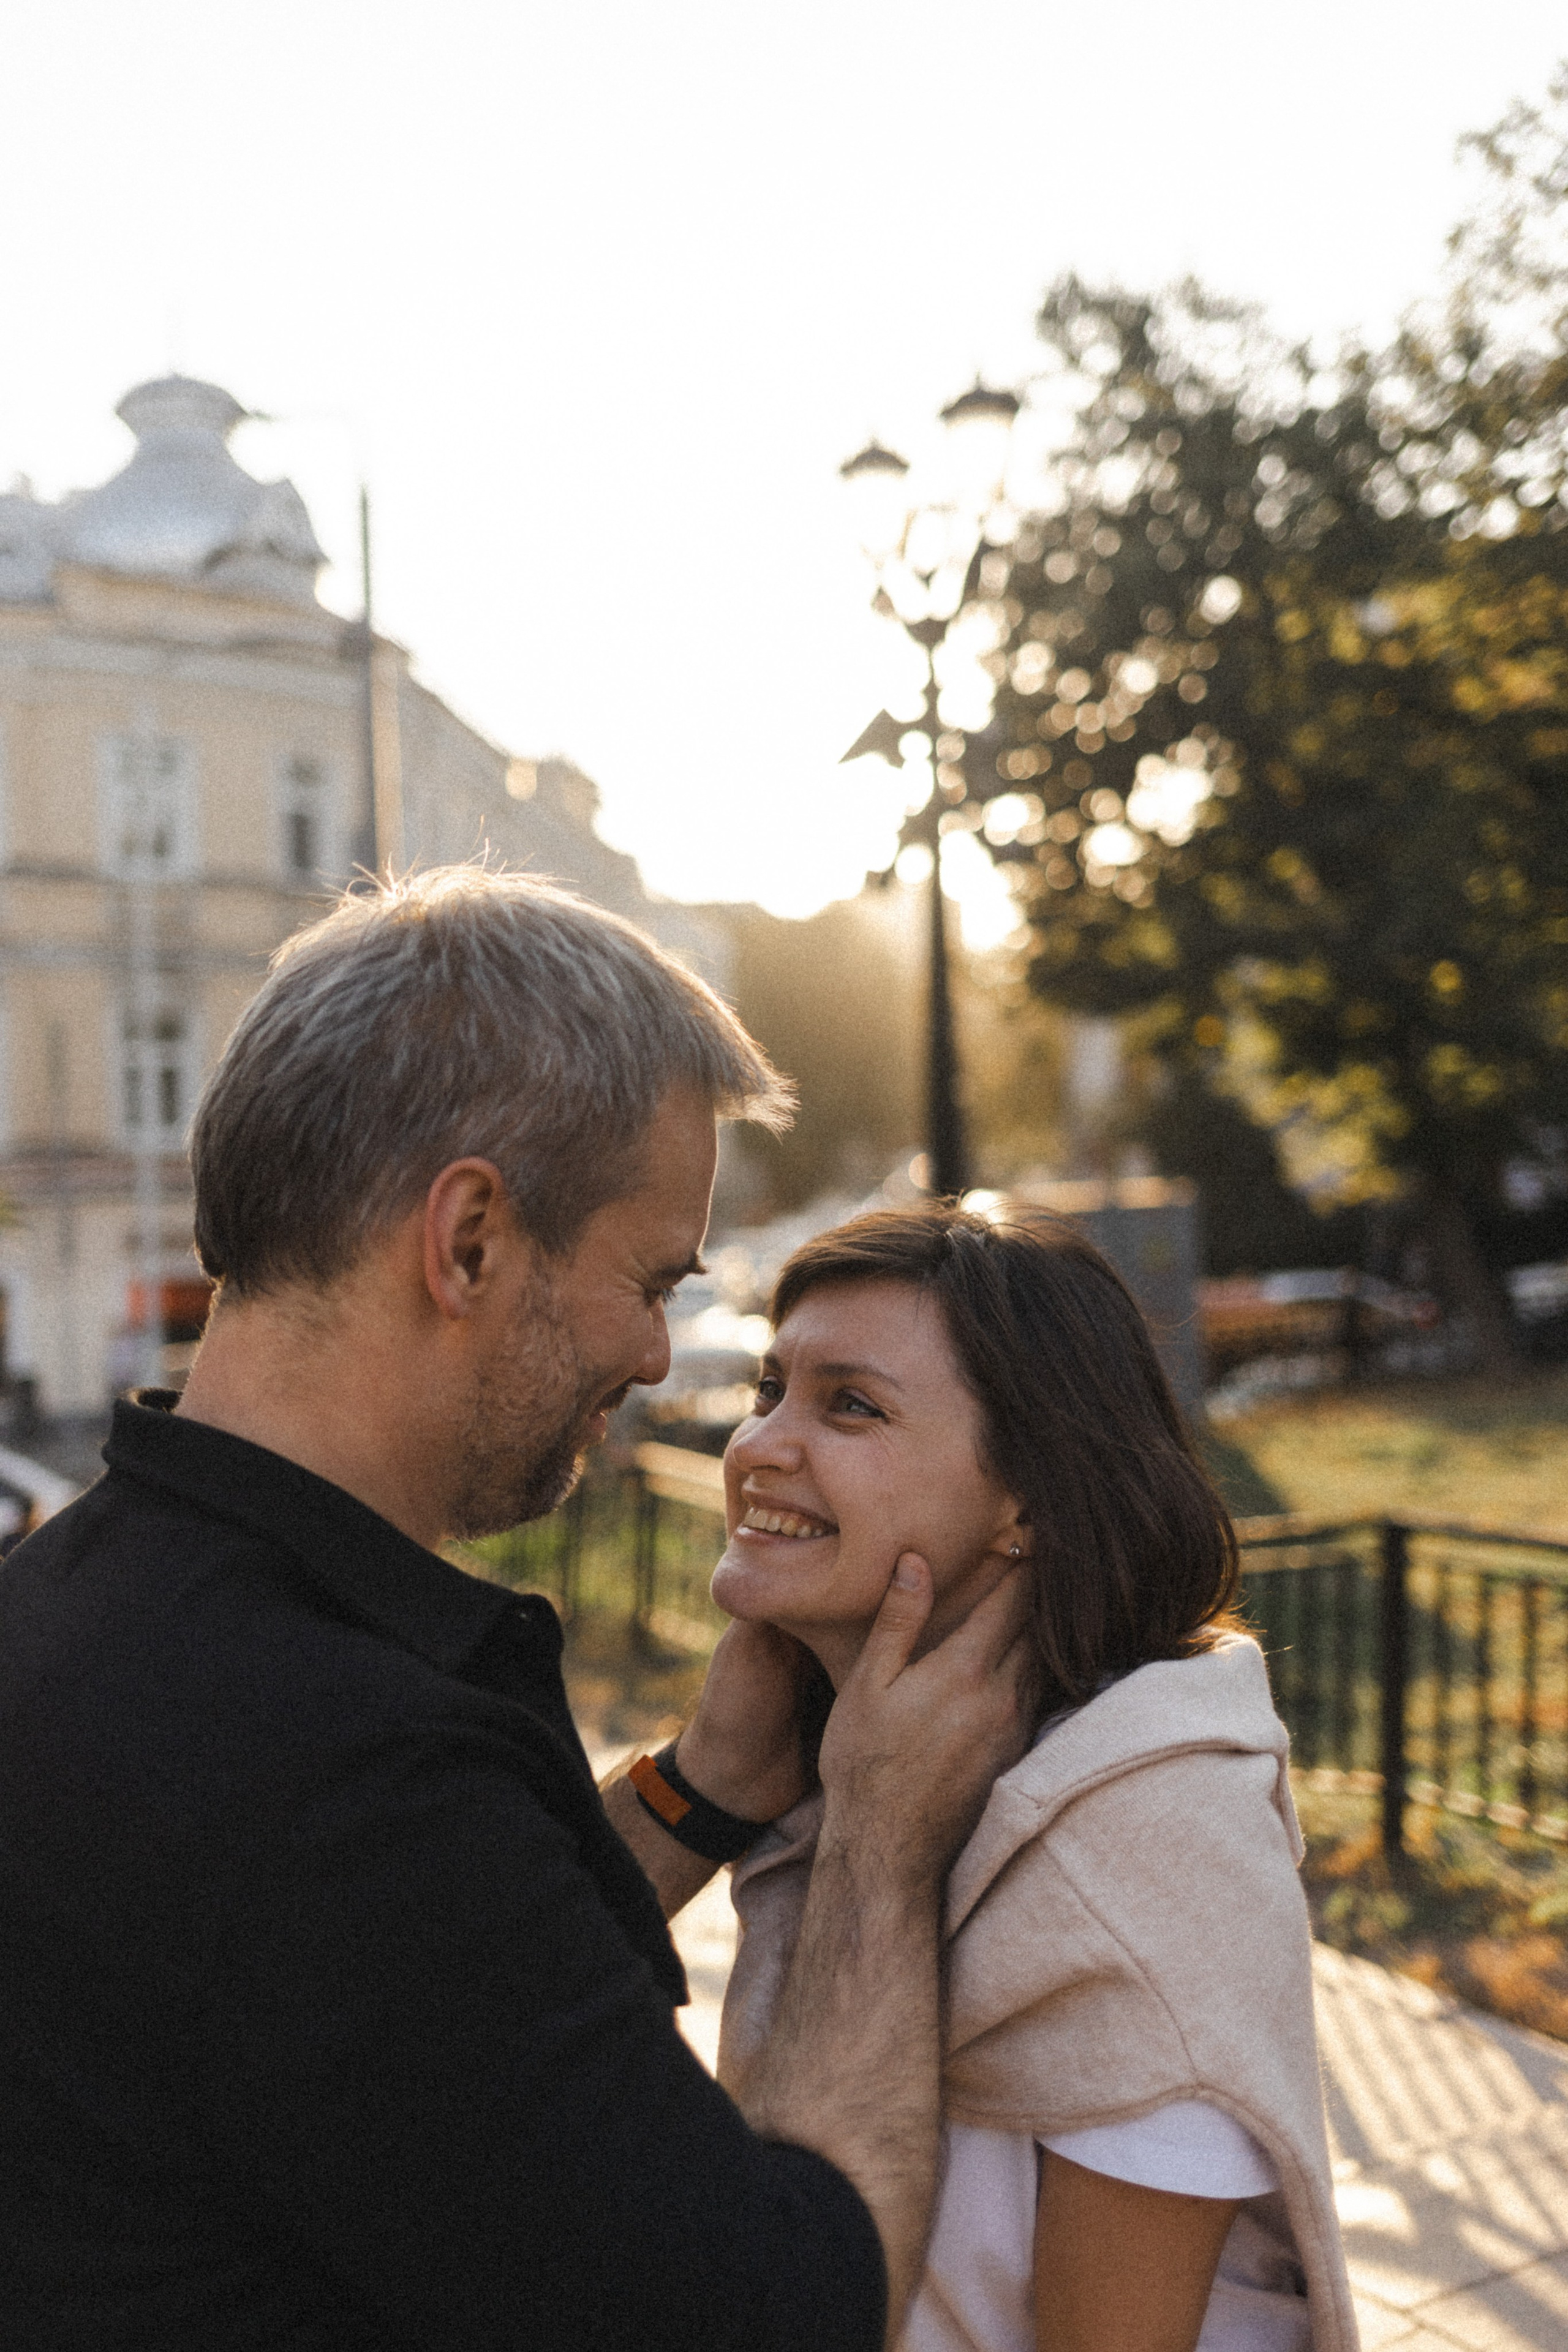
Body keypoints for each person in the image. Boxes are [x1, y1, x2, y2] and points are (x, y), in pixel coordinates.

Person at [0, 870, 1033, 2352]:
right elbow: (780, 2307)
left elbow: (420, 2054)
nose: (658, 1356)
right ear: (469, 1238)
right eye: (648, 1278)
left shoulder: (66, 1606)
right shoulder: (345, 1772)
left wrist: (702, 1793)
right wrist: (880, 1834)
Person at [714, 1204, 1359, 2352]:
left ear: (1027, 1499)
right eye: (770, 1389)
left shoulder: (1154, 1843)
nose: (759, 1444)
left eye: (849, 1404)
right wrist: (700, 1784)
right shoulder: (837, 1769)